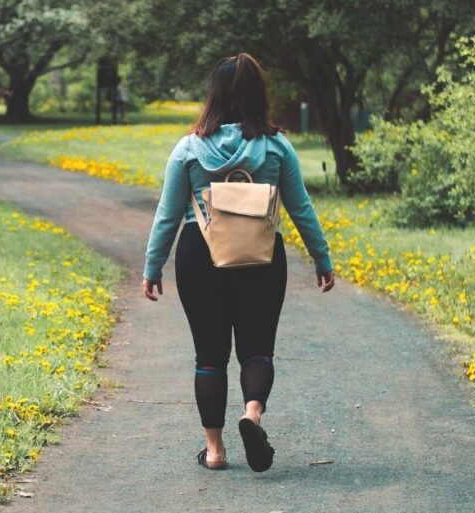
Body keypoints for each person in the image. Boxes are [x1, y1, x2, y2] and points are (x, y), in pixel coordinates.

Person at [141, 53, 336, 472]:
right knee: (257, 350)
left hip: (200, 254)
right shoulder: (276, 146)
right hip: (262, 255)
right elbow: (301, 208)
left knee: (209, 357)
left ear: (214, 95)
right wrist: (322, 258)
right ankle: (251, 415)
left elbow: (168, 213)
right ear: (257, 95)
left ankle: (214, 451)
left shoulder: (189, 148)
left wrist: (152, 266)